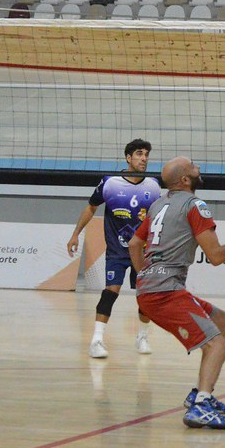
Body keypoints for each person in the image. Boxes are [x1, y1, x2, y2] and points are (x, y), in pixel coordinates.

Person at [129, 156, 225, 429]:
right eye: (193, 166)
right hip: (164, 291)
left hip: (152, 290)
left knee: (223, 322)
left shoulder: (159, 205)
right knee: (219, 345)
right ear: (185, 179)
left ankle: (199, 393)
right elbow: (217, 256)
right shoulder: (195, 206)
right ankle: (200, 407)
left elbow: (134, 244)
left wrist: (144, 277)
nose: (199, 169)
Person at [67, 138, 160, 359]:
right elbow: (91, 208)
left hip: (143, 253)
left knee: (145, 296)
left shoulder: (154, 186)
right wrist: (75, 234)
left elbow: (157, 218)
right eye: (139, 154)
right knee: (111, 292)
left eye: (146, 154)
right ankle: (96, 341)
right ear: (128, 158)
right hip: (117, 251)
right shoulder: (110, 183)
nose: (144, 158)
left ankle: (142, 336)